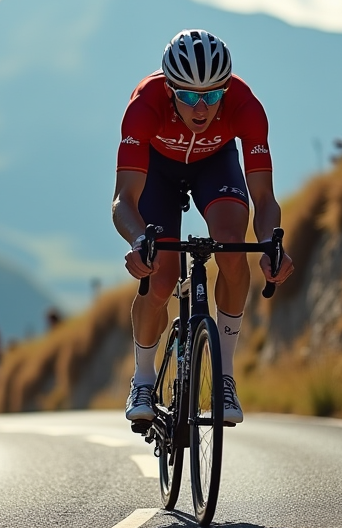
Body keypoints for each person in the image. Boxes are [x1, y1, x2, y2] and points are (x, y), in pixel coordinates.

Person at [114, 29, 294, 425]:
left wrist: (270, 244)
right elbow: (123, 200)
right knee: (160, 278)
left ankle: (224, 378)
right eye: (189, 96)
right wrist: (139, 240)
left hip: (215, 164)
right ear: (169, 89)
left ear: (225, 89)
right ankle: (143, 379)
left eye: (212, 97)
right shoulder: (144, 106)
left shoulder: (246, 106)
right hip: (157, 171)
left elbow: (264, 199)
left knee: (231, 247)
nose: (200, 108)